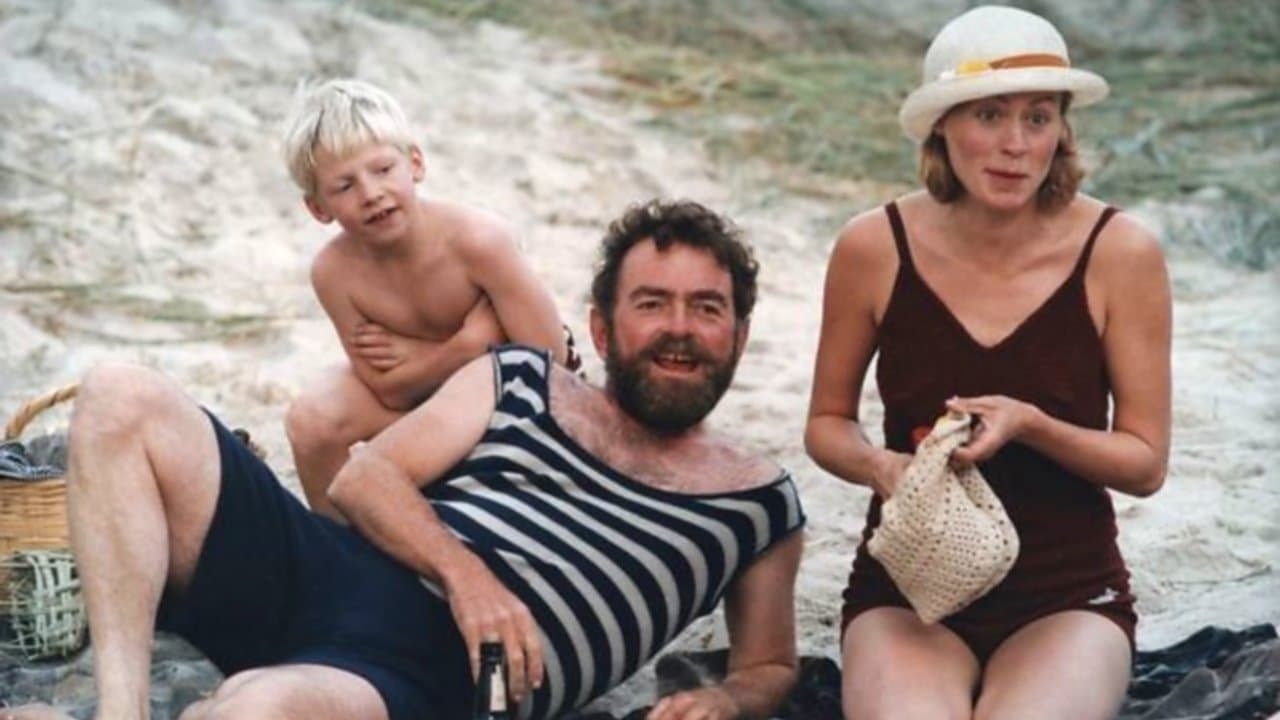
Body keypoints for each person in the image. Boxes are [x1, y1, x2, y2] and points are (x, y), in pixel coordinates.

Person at [55, 199, 805, 720]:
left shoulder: (757, 503)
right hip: (331, 570)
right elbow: (363, 478)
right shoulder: (522, 377)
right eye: (651, 303)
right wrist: (467, 577)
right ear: (602, 330)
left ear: (739, 336)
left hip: (439, 673)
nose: (679, 328)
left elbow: (769, 664)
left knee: (260, 709)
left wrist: (729, 699)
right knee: (121, 395)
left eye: (707, 308)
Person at [804, 6, 1171, 720]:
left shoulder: (1121, 252)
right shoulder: (872, 246)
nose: (1015, 145)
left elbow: (1145, 464)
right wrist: (884, 468)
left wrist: (1032, 425)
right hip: (909, 591)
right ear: (942, 123)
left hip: (1066, 597)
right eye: (989, 114)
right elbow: (826, 423)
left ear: (1062, 129)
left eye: (1038, 117)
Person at [279, 78, 572, 519]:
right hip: (417, 409)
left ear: (415, 163)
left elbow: (552, 361)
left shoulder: (478, 242)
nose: (371, 194)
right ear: (319, 209)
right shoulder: (334, 273)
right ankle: (336, 542)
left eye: (383, 169)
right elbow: (388, 390)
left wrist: (416, 359)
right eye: (344, 186)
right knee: (311, 420)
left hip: (506, 414)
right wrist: (464, 347)